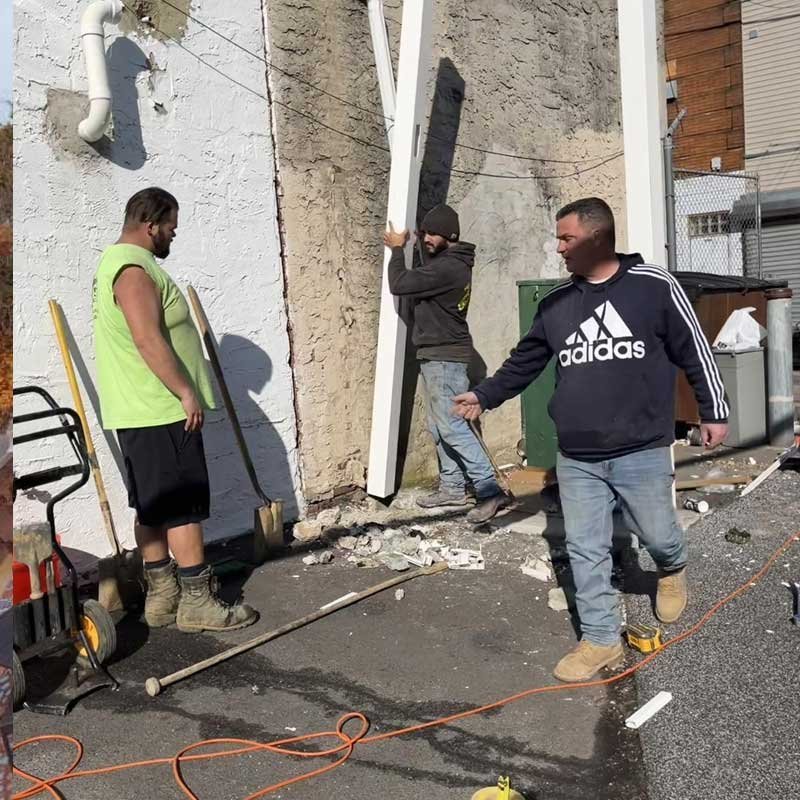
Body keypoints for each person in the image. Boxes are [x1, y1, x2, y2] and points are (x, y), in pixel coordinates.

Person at [452, 197, 729, 681]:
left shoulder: (653, 286)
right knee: (584, 546)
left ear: (598, 238)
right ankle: (600, 640)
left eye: (566, 238)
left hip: (640, 446)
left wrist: (714, 411)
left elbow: (694, 348)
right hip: (578, 454)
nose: (558, 248)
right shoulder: (558, 304)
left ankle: (671, 568)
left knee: (658, 534)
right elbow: (526, 360)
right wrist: (485, 395)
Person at [92, 187, 258, 633]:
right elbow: (147, 338)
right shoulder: (133, 269)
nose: (172, 236)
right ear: (151, 224)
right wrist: (185, 390)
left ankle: (163, 599)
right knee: (181, 507)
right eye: (170, 228)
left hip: (139, 410)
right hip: (160, 408)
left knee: (153, 507)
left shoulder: (121, 264)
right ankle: (197, 604)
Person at [383, 204, 511, 524]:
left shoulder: (447, 270)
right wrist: (417, 243)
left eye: (432, 233)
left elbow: (400, 284)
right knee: (439, 427)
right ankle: (453, 485)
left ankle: (488, 489)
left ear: (449, 236)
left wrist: (398, 250)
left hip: (444, 357)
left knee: (452, 426)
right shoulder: (450, 264)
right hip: (437, 354)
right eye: (424, 232)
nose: (427, 237)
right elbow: (428, 273)